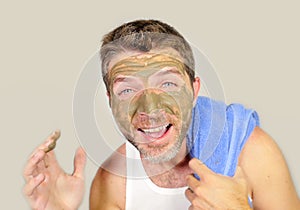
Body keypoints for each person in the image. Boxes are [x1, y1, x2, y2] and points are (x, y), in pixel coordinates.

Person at [23, 19, 300, 210]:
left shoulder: (250, 152)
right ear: (110, 102)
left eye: (167, 84)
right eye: (127, 90)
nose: (150, 109)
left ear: (194, 91)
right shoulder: (112, 184)